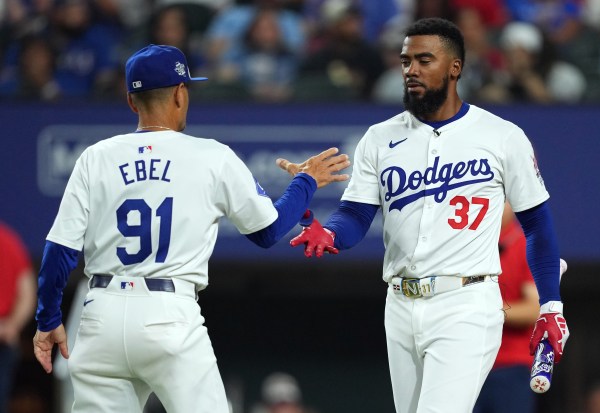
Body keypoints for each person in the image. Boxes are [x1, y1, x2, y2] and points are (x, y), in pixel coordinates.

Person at [32, 44, 350, 413]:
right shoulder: (211, 155)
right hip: (168, 313)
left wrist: (48, 319)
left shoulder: (95, 156)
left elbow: (59, 249)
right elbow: (268, 231)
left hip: (99, 314)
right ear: (181, 94)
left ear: (132, 102)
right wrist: (306, 181)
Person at [279, 17, 570, 413]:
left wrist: (551, 305)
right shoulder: (380, 138)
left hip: (466, 300)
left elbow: (537, 224)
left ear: (455, 68)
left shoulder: (501, 135)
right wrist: (329, 234)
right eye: (405, 60)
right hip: (399, 303)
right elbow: (356, 214)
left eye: (424, 60)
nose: (411, 70)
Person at [474, 203, 566, 413]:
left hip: (510, 367)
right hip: (467, 362)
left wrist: (485, 309)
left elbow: (533, 309)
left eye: (501, 198)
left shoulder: (525, 243)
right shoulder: (470, 243)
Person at [0, 221, 36, 413]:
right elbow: (28, 292)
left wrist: (11, 326)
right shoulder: (8, 239)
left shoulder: (7, 241)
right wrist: (11, 326)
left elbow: (27, 291)